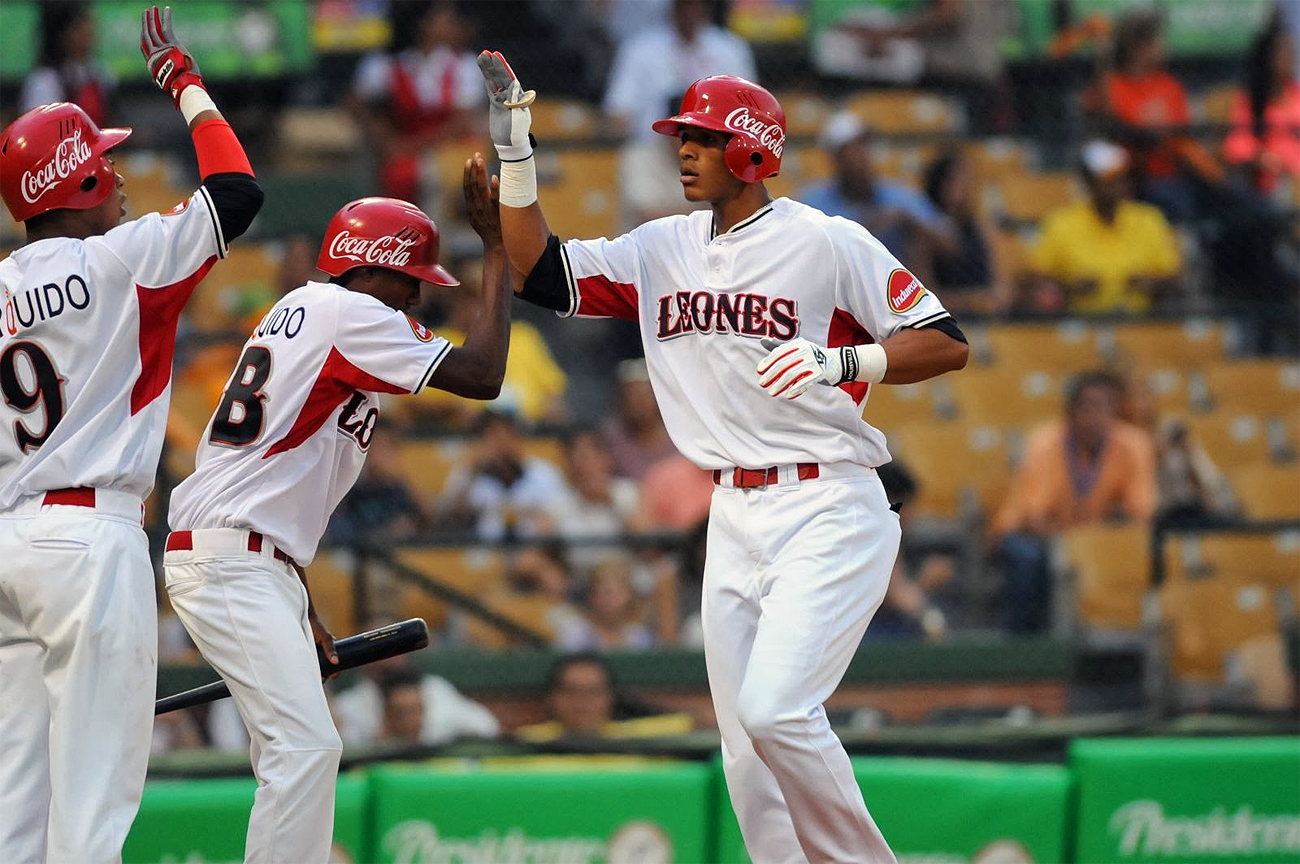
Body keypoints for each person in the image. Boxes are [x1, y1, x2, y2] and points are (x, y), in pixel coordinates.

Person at [478, 54, 968, 863]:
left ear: (751, 151)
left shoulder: (826, 241)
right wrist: (518, 154)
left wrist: (848, 363)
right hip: (730, 513)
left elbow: (946, 342)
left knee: (777, 710)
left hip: (828, 502)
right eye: (682, 136)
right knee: (745, 747)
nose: (684, 150)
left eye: (702, 138)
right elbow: (538, 268)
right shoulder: (661, 247)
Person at [161, 157, 509, 862]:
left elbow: (273, 485)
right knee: (307, 748)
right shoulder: (348, 312)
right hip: (231, 560)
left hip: (250, 558)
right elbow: (483, 374)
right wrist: (498, 251)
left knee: (293, 752)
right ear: (374, 269)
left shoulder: (309, 310)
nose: (414, 300)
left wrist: (302, 606)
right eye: (412, 282)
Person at [0, 8, 263, 861]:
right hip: (88, 538)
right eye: (103, 161)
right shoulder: (122, 259)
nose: (117, 174)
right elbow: (237, 193)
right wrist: (183, 80)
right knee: (93, 808)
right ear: (73, 181)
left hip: (8, 541)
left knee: (15, 805)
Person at [991, 372, 1157, 634]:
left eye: (1104, 407)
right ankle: (1024, 642)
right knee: (1029, 558)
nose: (1095, 417)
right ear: (1071, 411)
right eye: (1087, 407)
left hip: (1095, 537)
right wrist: (1079, 539)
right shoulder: (1044, 443)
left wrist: (1093, 538)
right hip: (1031, 534)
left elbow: (1140, 515)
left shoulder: (1135, 444)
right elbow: (1035, 518)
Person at [603, 0, 757, 227]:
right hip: (652, 147)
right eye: (683, 5)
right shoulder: (641, 48)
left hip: (718, 149)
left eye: (696, 5)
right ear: (671, 8)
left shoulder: (730, 47)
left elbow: (750, 112)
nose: (690, 12)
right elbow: (617, 114)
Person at [1024, 140, 1181, 315]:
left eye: (1121, 177)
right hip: (1080, 321)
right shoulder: (1061, 223)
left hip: (1138, 321)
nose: (1116, 185)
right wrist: (1069, 287)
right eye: (1107, 179)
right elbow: (1036, 279)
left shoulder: (1149, 219)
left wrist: (1150, 283)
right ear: (1089, 181)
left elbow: (1172, 277)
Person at [350, 1, 484, 205]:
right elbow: (362, 107)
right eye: (444, 19)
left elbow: (461, 122)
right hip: (403, 152)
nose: (453, 24)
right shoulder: (385, 65)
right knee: (398, 176)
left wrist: (410, 147)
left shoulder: (464, 65)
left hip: (449, 148)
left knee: (440, 176)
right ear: (424, 25)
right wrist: (386, 141)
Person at [798, 110, 958, 265]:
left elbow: (950, 241)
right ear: (835, 158)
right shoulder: (813, 202)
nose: (863, 156)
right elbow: (801, 252)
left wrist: (908, 221)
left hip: (892, 287)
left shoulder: (897, 195)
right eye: (853, 149)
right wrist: (868, 225)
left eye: (866, 146)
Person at [435, 408, 568, 540]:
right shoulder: (466, 473)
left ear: (517, 439)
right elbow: (450, 521)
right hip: (482, 552)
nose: (501, 444)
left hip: (534, 548)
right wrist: (475, 471)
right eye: (493, 437)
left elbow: (563, 517)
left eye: (507, 435)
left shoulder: (543, 473)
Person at [514, 652, 693, 743]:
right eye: (570, 691)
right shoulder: (526, 742)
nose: (582, 702)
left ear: (611, 696)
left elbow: (701, 722)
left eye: (593, 692)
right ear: (552, 697)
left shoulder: (636, 738)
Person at [921, 148, 1009, 316]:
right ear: (941, 183)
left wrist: (995, 298)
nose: (966, 186)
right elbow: (922, 296)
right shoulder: (924, 232)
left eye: (969, 179)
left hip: (986, 315)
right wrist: (971, 300)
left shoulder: (981, 227)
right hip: (943, 319)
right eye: (958, 179)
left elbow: (1000, 281)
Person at [1225, 12, 1300, 197]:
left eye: (1292, 52)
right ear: (1268, 57)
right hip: (1274, 186)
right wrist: (1262, 157)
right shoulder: (1253, 101)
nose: (1290, 59)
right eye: (1284, 52)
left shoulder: (1297, 94)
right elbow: (1236, 147)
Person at [21, 1, 114, 124]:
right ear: (63, 34)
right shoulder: (45, 81)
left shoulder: (100, 73)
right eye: (80, 28)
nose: (89, 33)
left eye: (89, 25)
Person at [602, 357, 678, 480]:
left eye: (644, 396)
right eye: (632, 396)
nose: (639, 403)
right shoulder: (611, 438)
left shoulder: (677, 433)